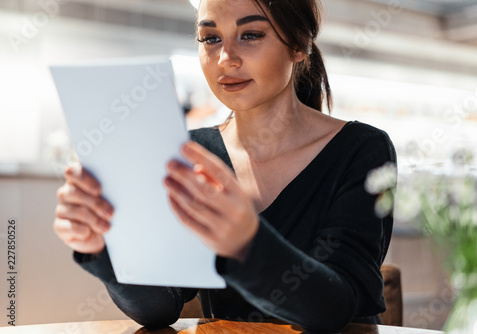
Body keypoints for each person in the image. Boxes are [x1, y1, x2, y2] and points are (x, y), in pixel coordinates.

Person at [53, 0, 397, 332]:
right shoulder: (192, 151)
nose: (225, 59)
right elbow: (160, 307)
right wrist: (101, 245)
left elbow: (335, 308)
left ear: (297, 44)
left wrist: (247, 243)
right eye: (211, 38)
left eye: (250, 35)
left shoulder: (362, 149)